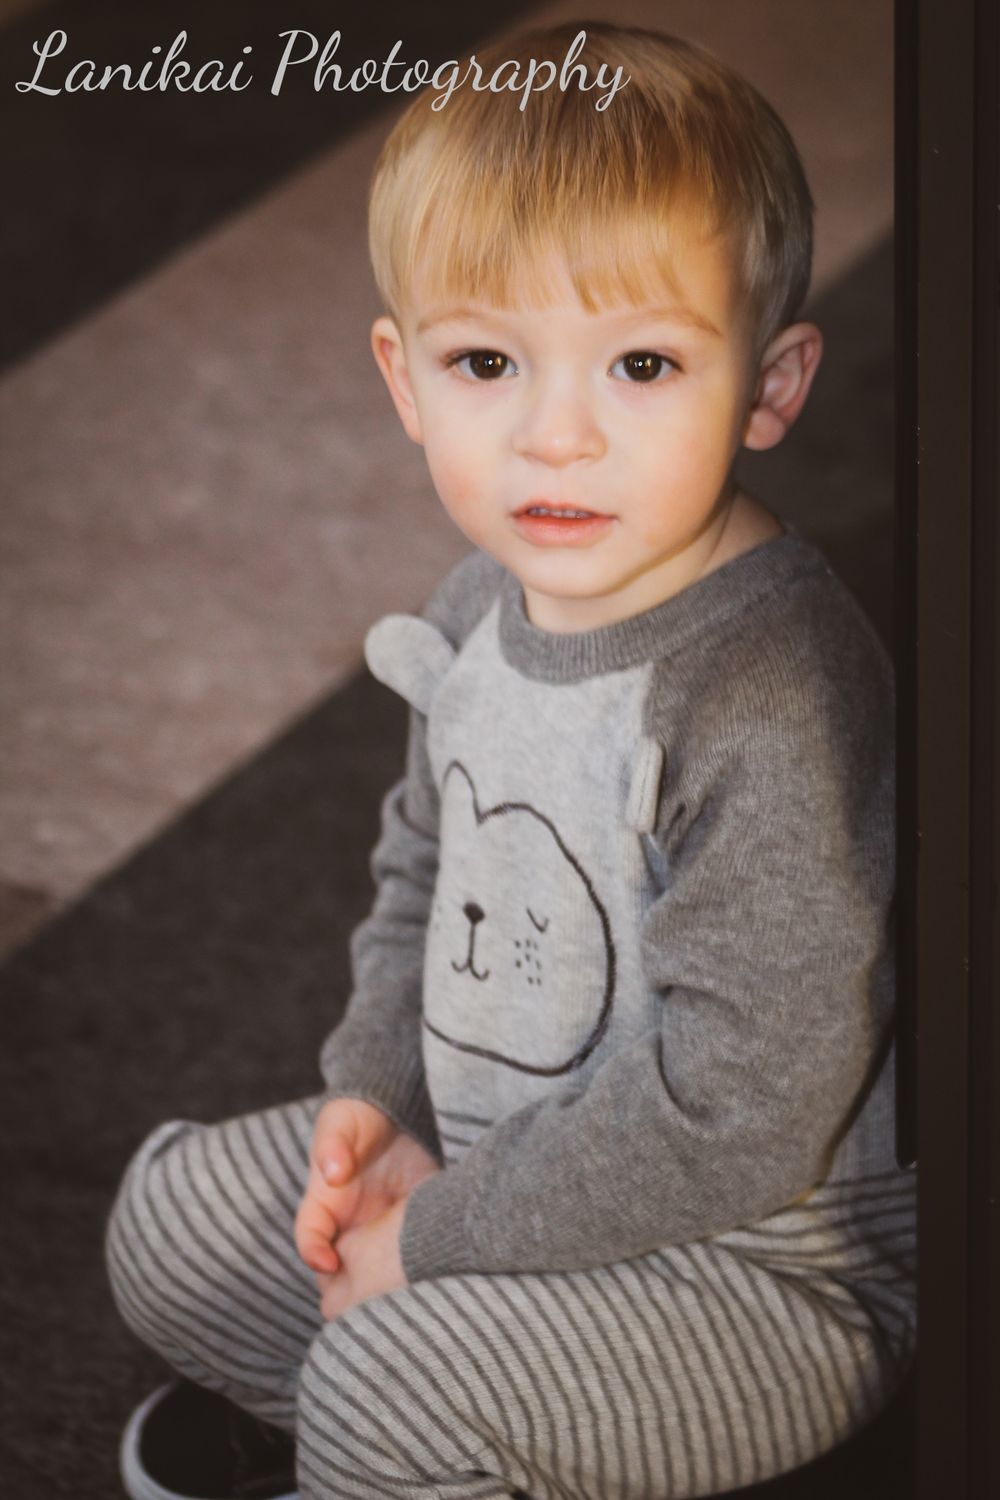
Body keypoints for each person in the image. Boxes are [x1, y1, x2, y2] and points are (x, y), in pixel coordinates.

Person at [106, 21, 915, 1500]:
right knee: (162, 1228)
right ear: (405, 380)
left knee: (380, 1373)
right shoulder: (478, 603)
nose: (555, 436)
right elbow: (421, 867)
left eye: (644, 364)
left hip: (750, 1273)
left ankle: (402, 1424)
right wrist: (377, 1097)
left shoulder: (769, 686)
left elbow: (741, 1111)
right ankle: (419, 1429)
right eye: (487, 359)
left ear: (773, 386)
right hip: (495, 1168)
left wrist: (432, 1238)